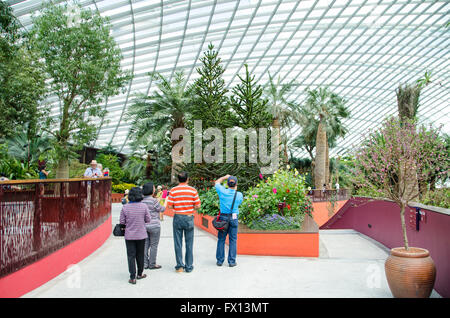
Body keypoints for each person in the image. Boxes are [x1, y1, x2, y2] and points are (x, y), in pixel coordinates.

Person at [166, 172, 201, 273]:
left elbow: (169, 206)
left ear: (178, 180)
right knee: (189, 243)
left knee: (178, 243)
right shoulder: (193, 190)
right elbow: (198, 206)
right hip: (189, 217)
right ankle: (189, 266)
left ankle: (180, 266)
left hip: (177, 217)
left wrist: (177, 207)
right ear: (187, 179)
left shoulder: (173, 190)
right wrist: (190, 208)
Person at [119, 187, 150, 284]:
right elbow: (148, 220)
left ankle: (132, 277)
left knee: (131, 256)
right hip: (141, 235)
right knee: (140, 254)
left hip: (129, 236)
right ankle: (140, 274)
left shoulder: (125, 207)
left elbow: (122, 222)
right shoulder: (144, 206)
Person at [214, 175, 244, 267]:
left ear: (227, 184)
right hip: (233, 218)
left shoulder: (222, 191)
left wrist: (225, 177)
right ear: (236, 184)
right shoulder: (239, 195)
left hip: (223, 219)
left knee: (221, 239)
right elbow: (239, 203)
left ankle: (220, 261)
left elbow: (216, 182)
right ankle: (231, 261)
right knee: (233, 240)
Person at [142, 182, 166, 270]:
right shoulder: (153, 200)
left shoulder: (141, 200)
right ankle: (152, 264)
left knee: (145, 245)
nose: (155, 189)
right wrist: (164, 203)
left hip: (144, 226)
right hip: (154, 225)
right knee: (154, 245)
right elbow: (162, 209)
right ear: (151, 190)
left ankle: (145, 264)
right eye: (153, 188)